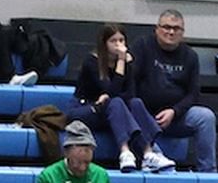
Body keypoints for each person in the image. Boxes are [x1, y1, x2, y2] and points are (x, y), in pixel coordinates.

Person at [70, 24, 174, 173]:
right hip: (87, 109)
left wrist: (125, 65)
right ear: (104, 43)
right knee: (116, 101)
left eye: (122, 40)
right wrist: (121, 61)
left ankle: (148, 154)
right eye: (113, 41)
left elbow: (131, 94)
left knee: (135, 102)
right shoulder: (92, 62)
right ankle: (125, 152)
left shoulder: (127, 62)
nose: (119, 45)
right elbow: (111, 91)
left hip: (111, 110)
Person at [129, 10, 218, 171]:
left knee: (206, 117)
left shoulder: (190, 56)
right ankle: (152, 160)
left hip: (176, 118)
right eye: (166, 27)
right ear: (157, 28)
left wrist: (174, 111)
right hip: (144, 115)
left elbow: (193, 94)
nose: (171, 32)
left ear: (182, 33)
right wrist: (144, 116)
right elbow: (130, 83)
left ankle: (208, 172)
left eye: (176, 29)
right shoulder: (142, 46)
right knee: (132, 104)